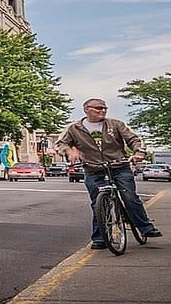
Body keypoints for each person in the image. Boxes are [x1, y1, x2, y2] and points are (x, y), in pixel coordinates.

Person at [55, 98, 163, 249]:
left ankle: (145, 227)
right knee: (98, 203)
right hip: (93, 169)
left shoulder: (115, 124)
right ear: (86, 109)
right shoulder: (74, 128)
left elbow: (133, 139)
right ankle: (99, 237)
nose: (103, 111)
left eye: (104, 108)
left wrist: (139, 152)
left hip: (119, 166)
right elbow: (60, 144)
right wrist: (69, 151)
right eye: (98, 108)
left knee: (129, 197)